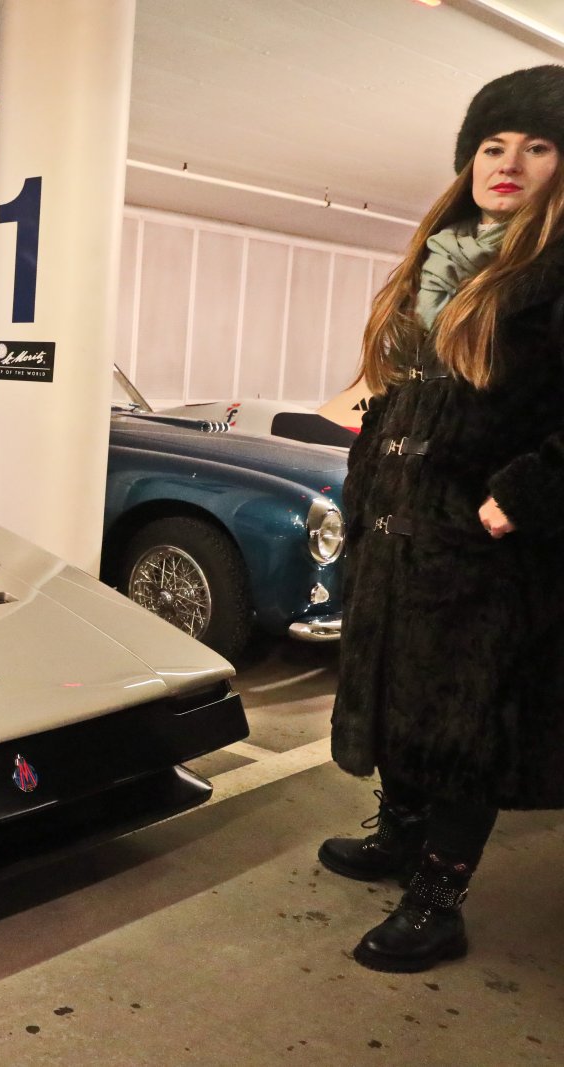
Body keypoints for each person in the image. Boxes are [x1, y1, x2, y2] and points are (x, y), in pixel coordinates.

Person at [321, 65, 564, 973]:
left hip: (489, 548)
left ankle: (438, 899)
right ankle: (400, 831)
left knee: (469, 724)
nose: (509, 163)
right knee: (398, 690)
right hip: (402, 528)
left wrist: (525, 493)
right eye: (492, 146)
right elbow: (402, 392)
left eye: (538, 146)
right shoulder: (447, 256)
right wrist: (367, 479)